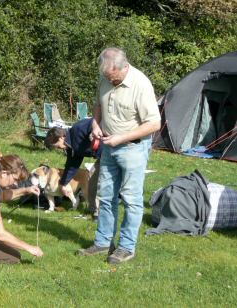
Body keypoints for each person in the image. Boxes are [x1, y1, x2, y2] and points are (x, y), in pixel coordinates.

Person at [78, 47, 161, 264]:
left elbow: (154, 124)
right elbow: (99, 104)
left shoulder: (141, 84)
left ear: (124, 67)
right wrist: (96, 123)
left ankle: (126, 247)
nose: (109, 80)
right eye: (106, 77)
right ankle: (104, 241)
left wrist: (121, 138)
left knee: (132, 200)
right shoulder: (105, 77)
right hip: (109, 146)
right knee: (106, 197)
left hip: (133, 148)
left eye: (112, 77)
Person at [44, 118, 102, 218]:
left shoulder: (78, 129)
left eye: (57, 146)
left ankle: (99, 213)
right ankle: (94, 211)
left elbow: (95, 121)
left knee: (97, 180)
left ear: (61, 138)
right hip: (102, 156)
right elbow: (71, 165)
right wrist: (63, 183)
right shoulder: (71, 147)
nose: (58, 149)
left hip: (110, 150)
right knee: (92, 179)